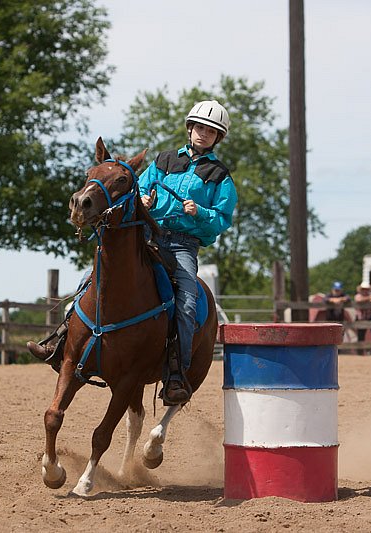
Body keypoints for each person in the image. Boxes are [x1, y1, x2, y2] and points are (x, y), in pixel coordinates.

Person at [27, 100, 238, 405]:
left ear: (218, 138)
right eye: (200, 128)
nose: (203, 134)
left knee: (189, 300)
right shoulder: (164, 160)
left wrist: (200, 212)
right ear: (190, 128)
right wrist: (144, 199)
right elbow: (138, 188)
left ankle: (176, 371)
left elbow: (222, 219)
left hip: (182, 245)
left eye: (211, 131)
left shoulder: (220, 176)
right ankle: (61, 342)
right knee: (91, 278)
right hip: (148, 235)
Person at [354, 281, 371, 353]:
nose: (365, 290)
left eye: (366, 289)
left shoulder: (370, 295)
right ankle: (360, 352)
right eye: (364, 289)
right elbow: (359, 300)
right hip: (360, 318)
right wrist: (369, 298)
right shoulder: (358, 296)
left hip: (370, 317)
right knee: (360, 336)